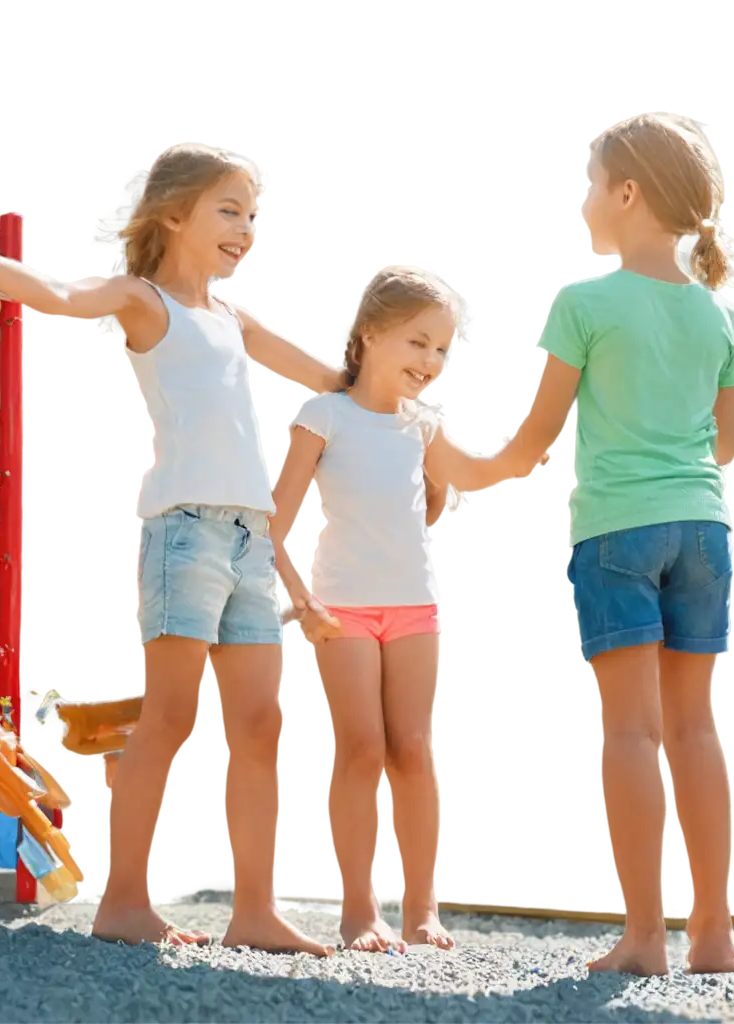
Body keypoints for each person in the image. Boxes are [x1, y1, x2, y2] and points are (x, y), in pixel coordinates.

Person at [0, 144, 347, 956]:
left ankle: (254, 912)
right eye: (230, 210)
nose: (246, 229)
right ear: (173, 214)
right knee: (170, 717)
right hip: (184, 529)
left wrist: (399, 372)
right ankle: (123, 902)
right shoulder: (144, 299)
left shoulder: (233, 318)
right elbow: (55, 298)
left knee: (259, 723)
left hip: (248, 535)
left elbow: (329, 376)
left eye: (251, 215)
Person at [462, 113, 734, 976]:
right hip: (705, 526)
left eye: (595, 184)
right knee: (695, 730)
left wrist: (470, 473)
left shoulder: (582, 304)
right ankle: (716, 935)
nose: (589, 199)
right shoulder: (721, 314)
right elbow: (724, 443)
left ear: (627, 195)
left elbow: (537, 438)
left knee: (632, 734)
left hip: (617, 531)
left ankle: (645, 939)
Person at [270, 266, 528, 953]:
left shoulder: (422, 427)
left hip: (414, 606)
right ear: (371, 335)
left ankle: (422, 912)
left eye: (441, 350)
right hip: (341, 610)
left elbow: (471, 473)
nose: (430, 362)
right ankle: (360, 913)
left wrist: (537, 441)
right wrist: (300, 601)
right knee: (361, 750)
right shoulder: (323, 416)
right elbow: (280, 518)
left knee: (413, 750)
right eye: (418, 343)